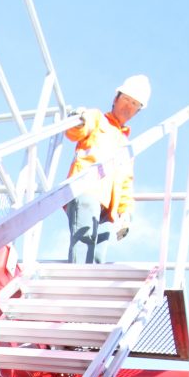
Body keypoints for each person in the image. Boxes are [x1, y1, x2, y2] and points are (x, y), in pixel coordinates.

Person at [63, 74, 149, 263]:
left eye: (134, 104)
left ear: (138, 111)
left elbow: (126, 183)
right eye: (126, 99)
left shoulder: (127, 145)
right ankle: (77, 285)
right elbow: (74, 132)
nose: (128, 106)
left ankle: (87, 289)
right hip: (87, 191)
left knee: (98, 258)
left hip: (109, 208)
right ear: (115, 99)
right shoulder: (96, 118)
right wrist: (78, 119)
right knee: (84, 247)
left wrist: (125, 213)